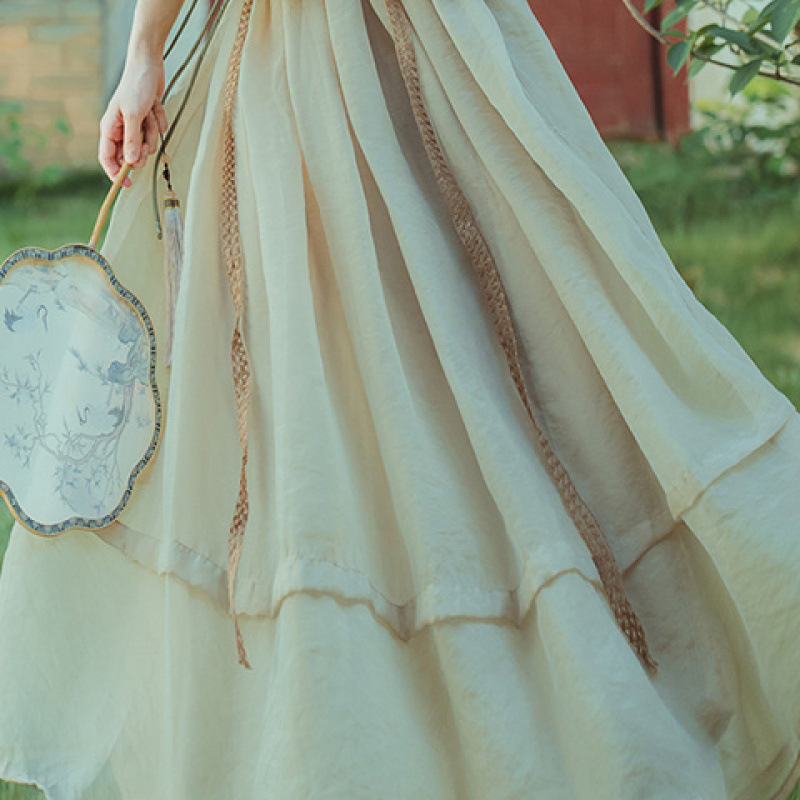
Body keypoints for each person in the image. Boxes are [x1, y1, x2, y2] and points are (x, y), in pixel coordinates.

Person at [0, 0, 799, 797]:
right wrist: (144, 52)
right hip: (279, 70)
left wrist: (146, 51)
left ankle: (564, 707)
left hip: (420, 53)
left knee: (511, 337)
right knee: (315, 387)